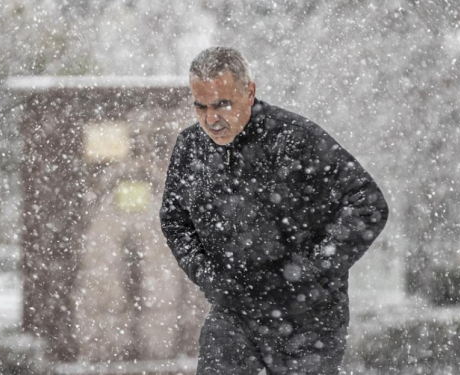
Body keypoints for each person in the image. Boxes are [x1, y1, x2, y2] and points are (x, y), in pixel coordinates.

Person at [160, 47, 389, 375]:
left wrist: (310, 270)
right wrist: (208, 277)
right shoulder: (190, 148)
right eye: (201, 106)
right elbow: (174, 219)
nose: (211, 118)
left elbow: (368, 204)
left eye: (222, 104)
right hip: (233, 312)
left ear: (249, 92)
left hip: (307, 319)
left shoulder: (297, 139)